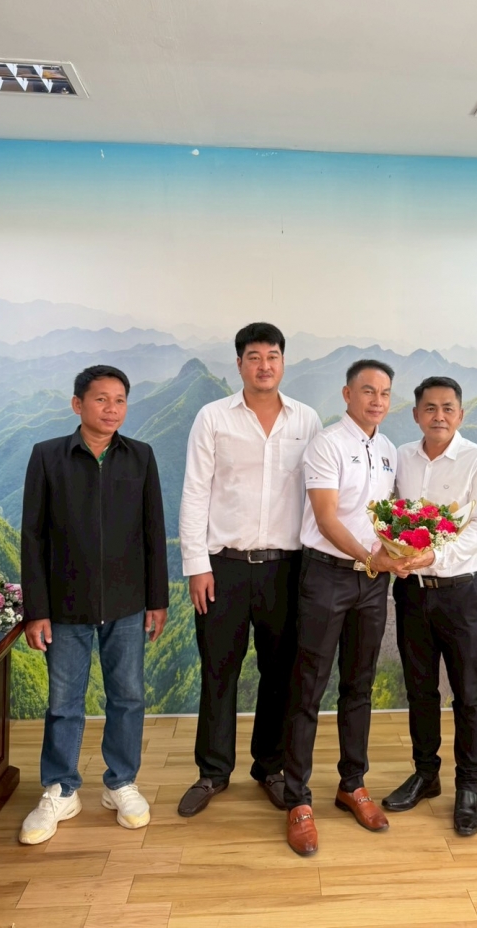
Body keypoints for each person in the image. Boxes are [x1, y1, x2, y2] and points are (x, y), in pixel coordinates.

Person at [19, 365, 169, 845]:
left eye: (120, 400)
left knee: (128, 697)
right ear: (77, 404)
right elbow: (33, 537)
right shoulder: (48, 456)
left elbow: (154, 531)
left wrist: (157, 600)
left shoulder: (140, 456)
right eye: (101, 399)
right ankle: (60, 789)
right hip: (65, 605)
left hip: (127, 603)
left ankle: (120, 783)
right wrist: (36, 609)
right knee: (64, 703)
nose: (112, 409)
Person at [177, 322, 322, 818]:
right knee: (219, 669)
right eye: (254, 357)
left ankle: (271, 767)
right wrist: (197, 565)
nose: (264, 365)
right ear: (239, 364)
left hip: (287, 567)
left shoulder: (306, 420)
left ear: (283, 362)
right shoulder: (213, 418)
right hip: (225, 567)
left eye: (273, 356)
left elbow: (319, 496)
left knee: (280, 672)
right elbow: (195, 491)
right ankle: (213, 771)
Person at [283, 359, 425, 857]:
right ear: (347, 394)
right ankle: (297, 799)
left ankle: (352, 784)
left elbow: (388, 519)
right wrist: (371, 559)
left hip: (372, 582)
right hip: (327, 575)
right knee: (309, 686)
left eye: (385, 393)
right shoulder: (325, 444)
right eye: (367, 391)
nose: (377, 401)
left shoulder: (387, 451)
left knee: (358, 685)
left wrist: (403, 553)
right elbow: (325, 519)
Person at [382, 377, 477, 837]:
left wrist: (436, 555)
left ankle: (469, 785)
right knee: (421, 689)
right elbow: (390, 513)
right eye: (429, 408)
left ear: (461, 414)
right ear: (416, 415)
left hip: (459, 592)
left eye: (448, 408)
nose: (439, 416)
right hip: (411, 592)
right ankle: (426, 774)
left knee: (468, 693)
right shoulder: (402, 457)